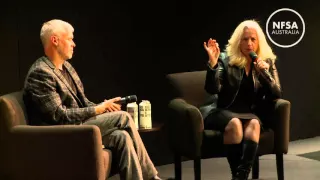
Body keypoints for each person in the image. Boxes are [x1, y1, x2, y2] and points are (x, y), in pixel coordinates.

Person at [23, 19, 162, 180]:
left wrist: (104, 106)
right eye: (70, 39)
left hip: (79, 127)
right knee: (123, 117)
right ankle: (152, 177)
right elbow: (59, 116)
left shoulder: (67, 67)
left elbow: (84, 104)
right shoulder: (41, 73)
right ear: (55, 40)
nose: (73, 44)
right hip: (60, 135)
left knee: (121, 136)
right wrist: (99, 109)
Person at [201, 19, 282, 180]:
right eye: (245, 39)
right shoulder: (225, 59)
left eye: (253, 39)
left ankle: (240, 177)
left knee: (254, 124)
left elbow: (276, 93)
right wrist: (213, 63)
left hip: (250, 113)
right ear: (238, 41)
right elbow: (213, 89)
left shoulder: (266, 61)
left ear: (259, 42)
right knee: (235, 125)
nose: (249, 44)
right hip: (223, 110)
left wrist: (264, 75)